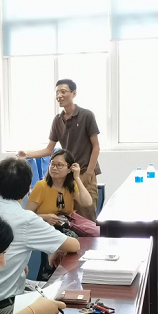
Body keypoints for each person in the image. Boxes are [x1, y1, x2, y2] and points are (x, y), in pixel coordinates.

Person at [0, 157, 80, 314]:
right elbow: (73, 245)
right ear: (29, 187)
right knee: (66, 302)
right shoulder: (26, 219)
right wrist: (55, 248)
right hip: (5, 307)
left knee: (54, 291)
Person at [17, 79, 101, 221]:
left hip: (84, 172)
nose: (59, 96)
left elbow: (96, 146)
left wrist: (88, 173)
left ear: (74, 93)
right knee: (68, 215)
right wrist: (27, 154)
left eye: (63, 92)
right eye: (57, 93)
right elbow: (49, 149)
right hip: (66, 174)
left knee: (86, 216)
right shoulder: (57, 120)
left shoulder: (86, 115)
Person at [26, 149, 92, 226]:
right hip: (44, 227)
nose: (54, 168)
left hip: (64, 227)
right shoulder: (41, 186)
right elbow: (27, 215)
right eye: (52, 164)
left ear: (69, 169)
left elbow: (87, 203)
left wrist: (77, 178)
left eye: (59, 165)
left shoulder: (71, 185)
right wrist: (45, 217)